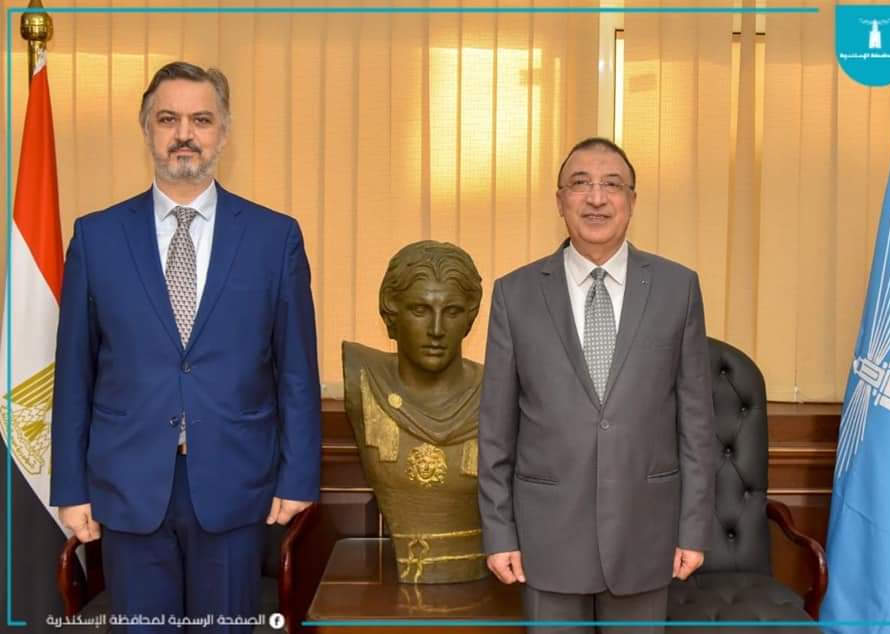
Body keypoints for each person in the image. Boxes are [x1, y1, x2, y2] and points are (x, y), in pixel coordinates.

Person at [50, 62, 321, 632]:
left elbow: (296, 370)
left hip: (235, 482)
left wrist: (298, 478)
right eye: (168, 119)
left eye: (201, 120)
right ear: (146, 128)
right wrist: (70, 488)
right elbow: (74, 373)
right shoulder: (96, 237)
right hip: (128, 485)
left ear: (224, 131)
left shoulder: (274, 238)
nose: (184, 134)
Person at [478, 137, 715, 633]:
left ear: (632, 200)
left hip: (646, 534)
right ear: (559, 199)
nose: (596, 198)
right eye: (580, 184)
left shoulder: (677, 288)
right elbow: (496, 431)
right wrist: (500, 533)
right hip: (546, 538)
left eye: (612, 185)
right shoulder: (515, 294)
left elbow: (696, 423)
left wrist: (693, 529)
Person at [341, 241, 486, 584]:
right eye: (420, 310)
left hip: (479, 576)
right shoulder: (362, 379)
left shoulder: (497, 390)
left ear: (470, 319)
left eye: (452, 312)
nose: (436, 330)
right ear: (391, 315)